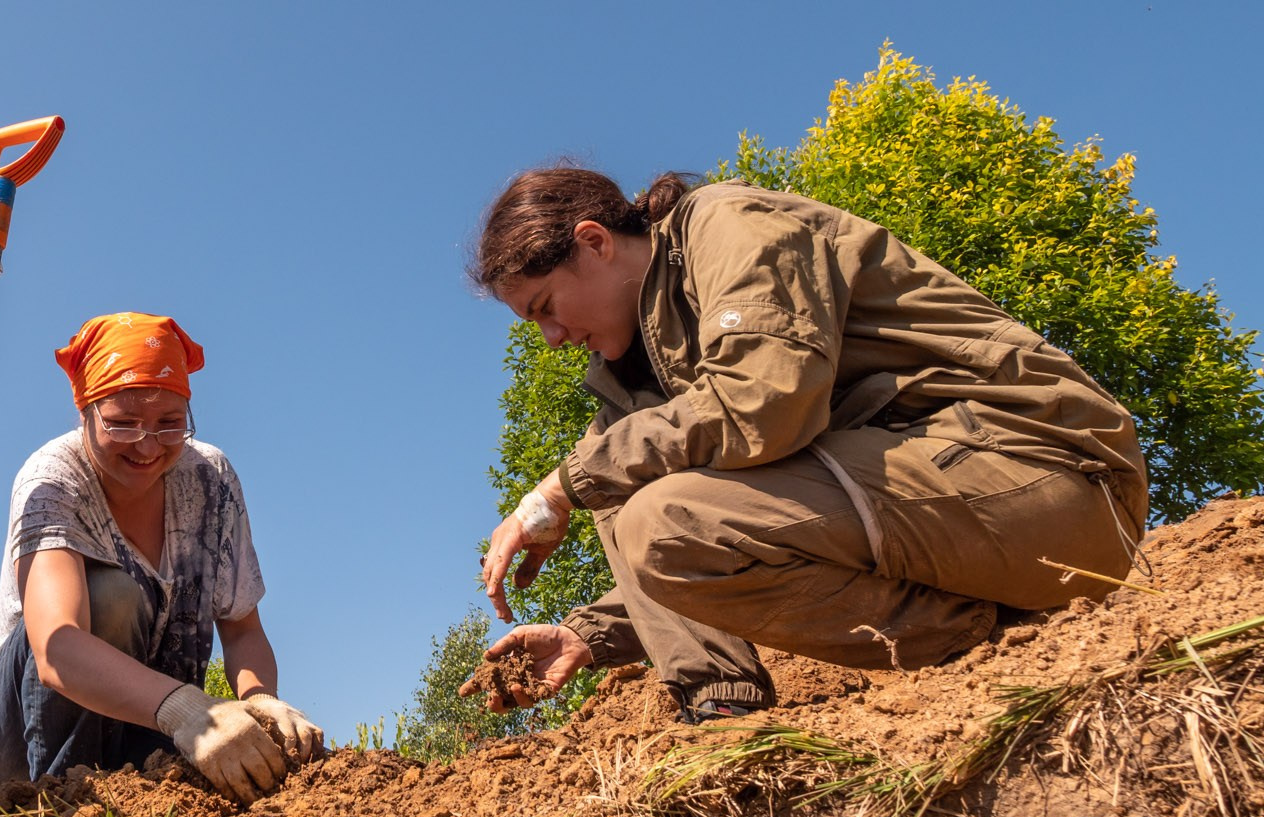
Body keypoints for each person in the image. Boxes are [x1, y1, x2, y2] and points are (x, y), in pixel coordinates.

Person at [461, 168, 1149, 723]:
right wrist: (592, 633)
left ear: (594, 241)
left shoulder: (726, 225)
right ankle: (722, 708)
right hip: (955, 510)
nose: (551, 338)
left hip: (1053, 476)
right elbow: (727, 529)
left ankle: (982, 635)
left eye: (545, 307)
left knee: (622, 478)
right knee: (623, 468)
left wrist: (562, 485)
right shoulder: (642, 373)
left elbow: (765, 403)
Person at [0, 312, 322, 805]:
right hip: (12, 732)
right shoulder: (53, 480)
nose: (148, 446)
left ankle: (125, 801)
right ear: (86, 411)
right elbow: (57, 648)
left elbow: (243, 629)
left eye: (169, 425)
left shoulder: (210, 480)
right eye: (123, 424)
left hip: (138, 725)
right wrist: (187, 710)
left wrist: (260, 701)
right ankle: (63, 808)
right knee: (114, 596)